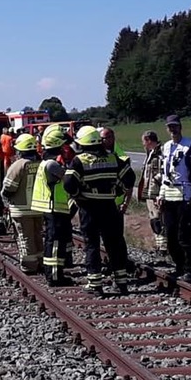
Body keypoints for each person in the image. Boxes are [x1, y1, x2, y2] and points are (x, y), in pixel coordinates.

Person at [64, 126, 136, 294]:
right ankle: (121, 282)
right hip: (110, 207)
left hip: (89, 208)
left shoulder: (79, 160)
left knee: (92, 245)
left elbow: (68, 183)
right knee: (114, 244)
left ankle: (95, 284)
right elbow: (129, 178)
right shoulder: (112, 158)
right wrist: (118, 190)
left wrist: (77, 194)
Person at [159, 115, 191, 283]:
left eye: (175, 126)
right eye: (170, 127)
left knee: (184, 233)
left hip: (184, 194)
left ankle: (190, 267)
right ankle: (179, 264)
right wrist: (161, 194)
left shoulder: (189, 145)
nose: (172, 129)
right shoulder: (165, 147)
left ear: (180, 127)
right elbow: (163, 172)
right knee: (170, 234)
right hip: (168, 193)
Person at [31, 126, 75, 286]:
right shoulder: (52, 165)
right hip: (54, 208)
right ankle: (55, 276)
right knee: (55, 242)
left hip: (54, 208)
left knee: (54, 241)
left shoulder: (47, 161)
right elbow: (69, 179)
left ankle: (55, 273)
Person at [2, 133, 44, 273]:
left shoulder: (18, 165)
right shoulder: (41, 163)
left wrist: (6, 197)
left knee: (25, 237)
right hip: (39, 207)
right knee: (38, 236)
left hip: (21, 209)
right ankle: (41, 262)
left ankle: (29, 265)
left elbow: (8, 188)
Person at [137, 130, 168, 256]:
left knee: (158, 220)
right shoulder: (150, 154)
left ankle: (163, 248)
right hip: (150, 192)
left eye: (144, 141)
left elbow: (165, 172)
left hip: (157, 192)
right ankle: (160, 245)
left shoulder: (160, 154)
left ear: (149, 140)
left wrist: (158, 187)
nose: (143, 144)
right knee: (154, 219)